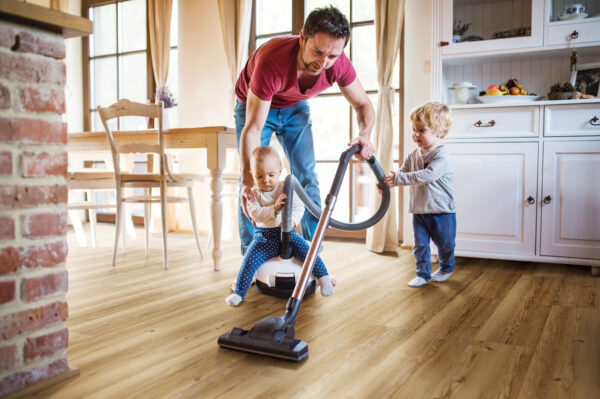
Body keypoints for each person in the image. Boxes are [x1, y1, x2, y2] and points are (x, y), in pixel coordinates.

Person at [234, 5, 375, 255]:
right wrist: (246, 179)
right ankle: (251, 256)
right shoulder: (272, 60)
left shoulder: (338, 64)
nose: (323, 63)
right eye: (317, 52)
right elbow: (253, 128)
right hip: (255, 106)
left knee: (307, 176)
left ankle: (312, 255)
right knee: (252, 181)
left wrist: (365, 135)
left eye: (332, 56)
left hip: (294, 106)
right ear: (302, 39)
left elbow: (363, 104)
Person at [226, 146, 335, 306]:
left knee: (309, 253)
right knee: (249, 261)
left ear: (280, 171)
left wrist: (292, 222)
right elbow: (255, 213)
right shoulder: (253, 194)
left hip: (288, 235)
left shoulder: (287, 186)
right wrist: (274, 209)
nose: (266, 180)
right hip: (263, 238)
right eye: (259, 176)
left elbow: (299, 207)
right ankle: (239, 293)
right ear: (252, 175)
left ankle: (324, 279)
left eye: (271, 175)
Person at [382, 102, 456, 287]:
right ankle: (422, 274)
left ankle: (446, 267)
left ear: (439, 131)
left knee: (445, 245)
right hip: (419, 210)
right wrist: (390, 181)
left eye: (421, 130)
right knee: (420, 245)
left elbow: (428, 175)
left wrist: (400, 178)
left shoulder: (442, 156)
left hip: (442, 211)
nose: (415, 135)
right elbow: (402, 172)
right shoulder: (412, 155)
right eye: (414, 130)